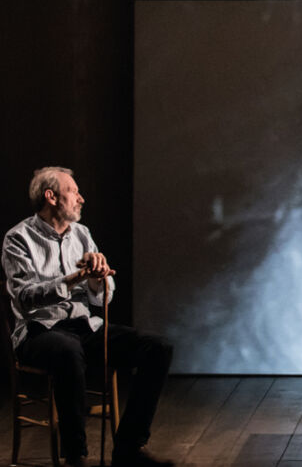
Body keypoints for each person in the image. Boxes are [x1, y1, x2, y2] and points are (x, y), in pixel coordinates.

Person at [2, 167, 174, 467]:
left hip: (83, 327)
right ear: (51, 196)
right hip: (38, 331)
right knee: (68, 351)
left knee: (158, 347)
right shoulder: (18, 238)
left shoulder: (81, 234)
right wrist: (74, 279)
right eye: (73, 191)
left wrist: (97, 276)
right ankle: (75, 455)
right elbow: (25, 297)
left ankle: (129, 448)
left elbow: (103, 297)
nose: (81, 198)